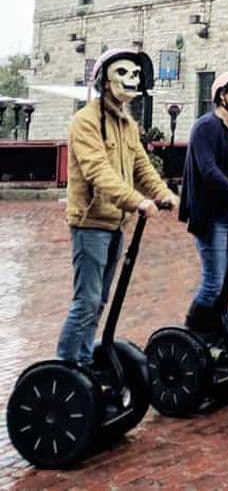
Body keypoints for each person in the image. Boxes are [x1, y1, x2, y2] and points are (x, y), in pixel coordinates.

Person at [58, 48, 178, 365]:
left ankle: (83, 362)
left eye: (136, 74)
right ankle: (65, 368)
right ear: (104, 80)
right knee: (87, 301)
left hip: (115, 224)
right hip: (90, 224)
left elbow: (142, 167)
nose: (131, 79)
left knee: (100, 301)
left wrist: (164, 193)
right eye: (123, 73)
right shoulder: (85, 122)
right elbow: (98, 172)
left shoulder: (126, 124)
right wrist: (137, 200)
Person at [179, 71, 228, 332]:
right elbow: (208, 169)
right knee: (213, 283)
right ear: (221, 94)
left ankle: (211, 331)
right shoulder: (206, 126)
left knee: (222, 282)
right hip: (211, 216)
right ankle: (191, 332)